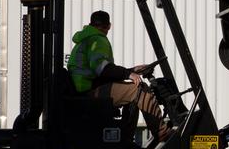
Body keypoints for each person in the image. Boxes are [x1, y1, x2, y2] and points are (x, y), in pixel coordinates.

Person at [68, 9, 173, 140]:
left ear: (91, 24)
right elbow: (102, 69)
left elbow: (102, 70)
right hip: (91, 92)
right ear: (109, 26)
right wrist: (128, 74)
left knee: (132, 92)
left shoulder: (85, 39)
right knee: (140, 89)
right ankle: (163, 133)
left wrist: (132, 70)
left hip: (87, 88)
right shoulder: (97, 40)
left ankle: (125, 140)